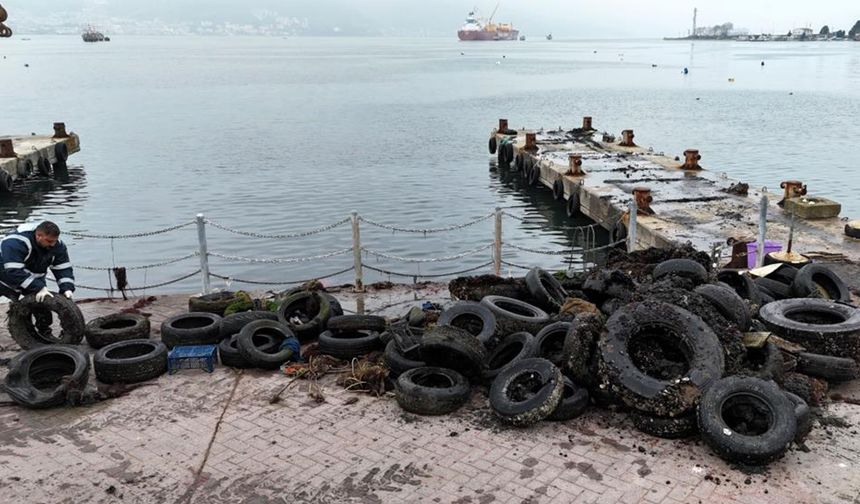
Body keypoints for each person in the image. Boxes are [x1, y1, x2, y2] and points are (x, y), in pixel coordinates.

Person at [0, 221, 75, 326]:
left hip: (31, 280)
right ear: (38, 236)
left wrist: (67, 288)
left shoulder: (57, 246)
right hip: (4, 277)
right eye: (49, 241)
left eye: (55, 241)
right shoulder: (15, 242)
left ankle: (44, 332)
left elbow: (63, 268)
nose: (53, 244)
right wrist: (39, 287)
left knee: (43, 312)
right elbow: (13, 271)